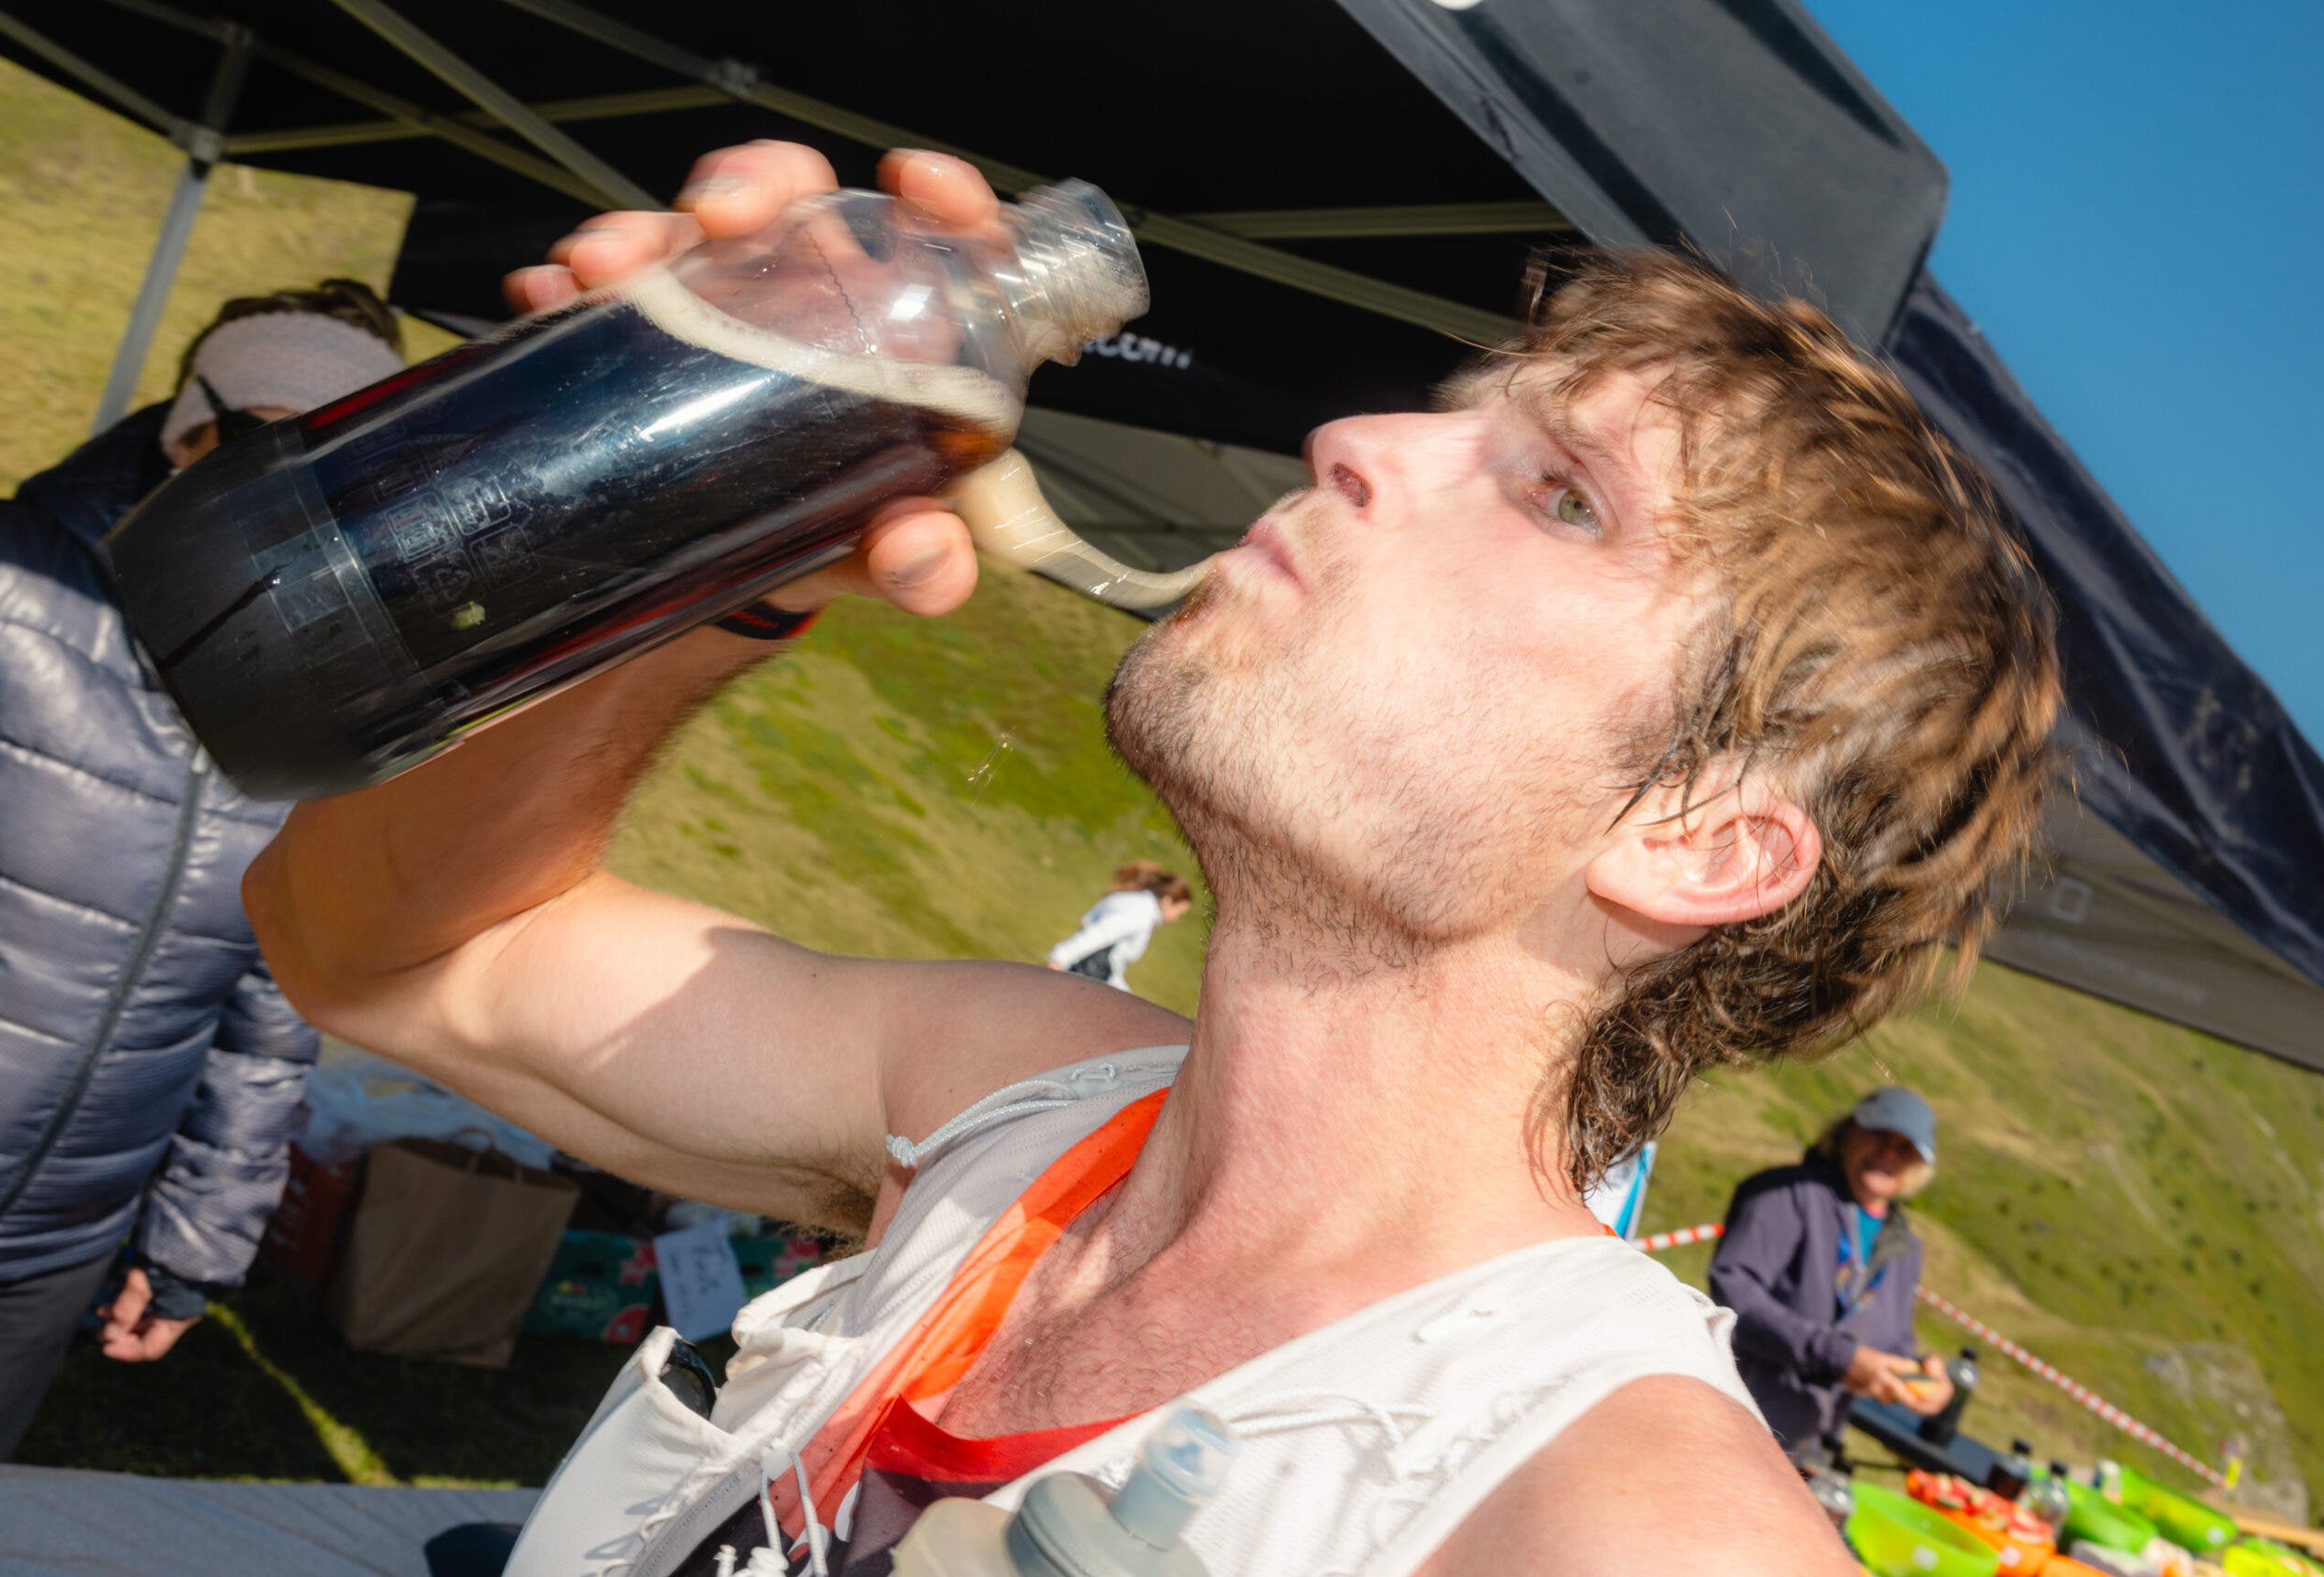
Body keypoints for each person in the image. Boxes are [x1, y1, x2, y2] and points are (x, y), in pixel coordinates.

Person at [247, 143, 2058, 1576]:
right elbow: (383, 952)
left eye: (1559, 494)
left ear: (1700, 840)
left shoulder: (1605, 1511)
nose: (1352, 439)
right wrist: (698, 554)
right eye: (1452, 413)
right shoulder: (1017, 1099)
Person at [0, 281, 407, 1462]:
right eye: (257, 442)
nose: (282, 495)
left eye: (331, 466)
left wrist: (195, 1241)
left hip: (43, 1257)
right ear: (186, 428)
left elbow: (269, 1013)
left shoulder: (328, 705)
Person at [1708, 1087, 1957, 1466]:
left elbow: (1894, 1343)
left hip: (1810, 1453)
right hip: (1732, 1422)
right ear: (1847, 1132)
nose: (1889, 1154)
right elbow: (1734, 1294)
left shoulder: (1905, 1248)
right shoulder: (1785, 1193)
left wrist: (1920, 1375)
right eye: (1879, 1136)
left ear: (1918, 1168)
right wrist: (1840, 1358)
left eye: (1905, 1149)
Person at [1044, 861, 1193, 991]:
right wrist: (1058, 960)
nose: (1177, 919)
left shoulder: (1136, 902)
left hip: (1096, 976)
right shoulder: (1140, 914)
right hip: (1088, 977)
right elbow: (1098, 935)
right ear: (1167, 902)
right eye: (1179, 912)